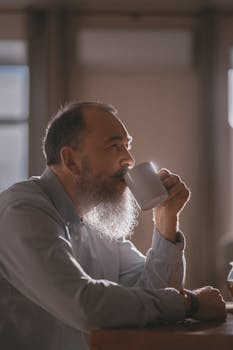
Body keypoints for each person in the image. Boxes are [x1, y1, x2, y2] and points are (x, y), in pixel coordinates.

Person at [0, 101, 226, 350]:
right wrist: (190, 303)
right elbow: (85, 304)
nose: (129, 159)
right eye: (115, 146)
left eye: (128, 146)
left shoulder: (95, 220)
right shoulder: (22, 211)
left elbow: (156, 292)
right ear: (71, 160)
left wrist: (166, 219)